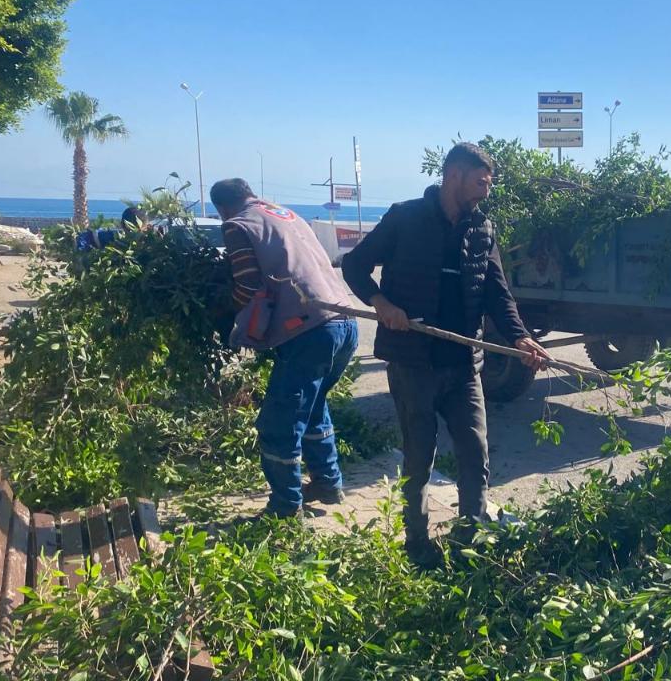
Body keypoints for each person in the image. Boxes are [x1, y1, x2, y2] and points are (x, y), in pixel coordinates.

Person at [341, 142, 548, 567]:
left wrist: (520, 338)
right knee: (418, 456)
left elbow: (498, 294)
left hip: (464, 363)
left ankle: (468, 537)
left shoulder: (482, 229)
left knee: (475, 451)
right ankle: (416, 543)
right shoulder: (405, 218)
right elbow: (355, 265)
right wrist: (381, 303)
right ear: (453, 174)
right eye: (480, 181)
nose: (485, 191)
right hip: (412, 359)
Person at [212, 178, 360, 519]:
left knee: (278, 423)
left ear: (222, 209)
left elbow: (247, 283)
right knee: (313, 406)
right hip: (345, 322)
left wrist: (220, 310)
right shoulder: (287, 215)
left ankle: (285, 507)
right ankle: (327, 483)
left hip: (309, 331)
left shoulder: (237, 225)